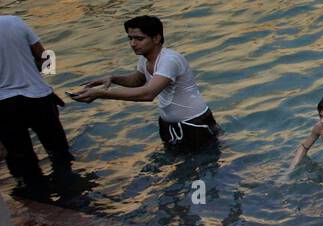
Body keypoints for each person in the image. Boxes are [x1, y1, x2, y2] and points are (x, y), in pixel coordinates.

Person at [69, 15, 219, 151]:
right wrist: (113, 78)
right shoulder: (146, 57)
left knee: (204, 169)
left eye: (139, 39)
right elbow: (137, 80)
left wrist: (100, 93)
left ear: (156, 38)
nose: (133, 44)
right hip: (169, 124)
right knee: (180, 167)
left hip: (194, 123)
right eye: (130, 38)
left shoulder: (169, 60)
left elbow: (148, 94)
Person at [0, 14, 74, 189]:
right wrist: (36, 79)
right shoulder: (14, 22)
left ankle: (37, 194)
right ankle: (71, 191)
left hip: (4, 105)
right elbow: (46, 58)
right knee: (59, 152)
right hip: (39, 98)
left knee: (21, 159)